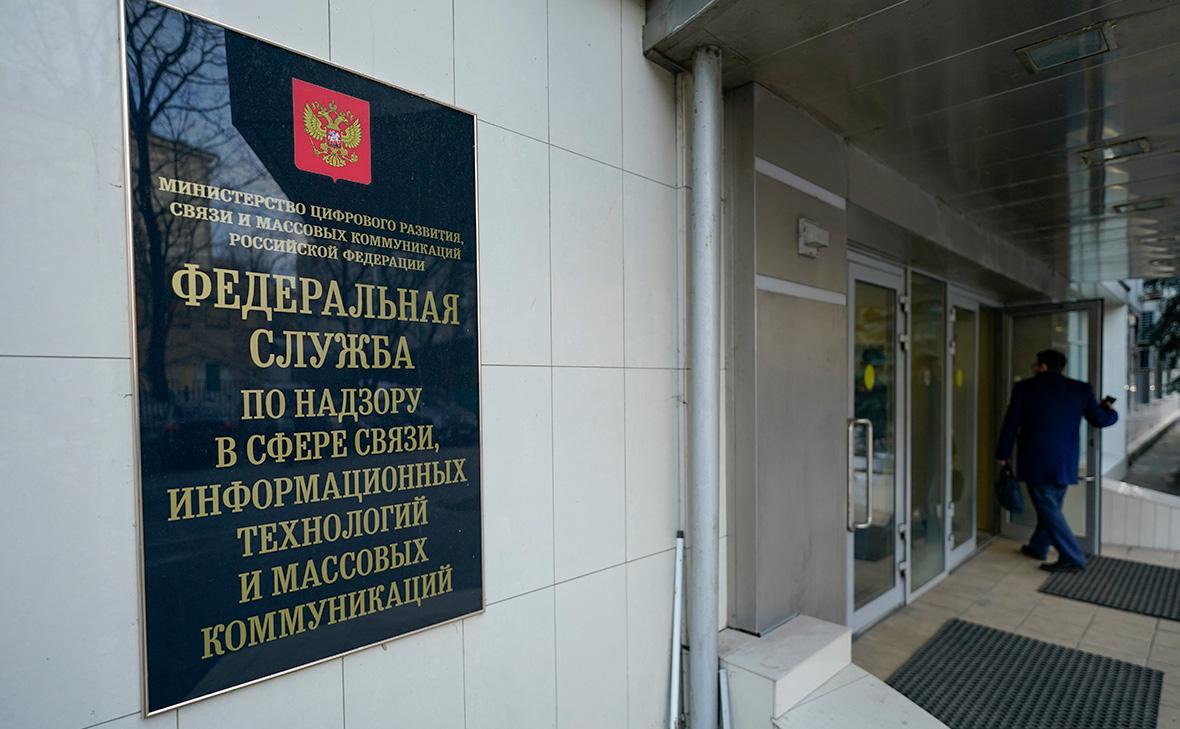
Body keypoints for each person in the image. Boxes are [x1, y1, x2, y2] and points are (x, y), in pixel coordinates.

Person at [995, 348, 1118, 573]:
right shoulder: (1081, 389)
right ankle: (1038, 547)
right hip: (1065, 461)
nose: (1033, 367)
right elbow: (1100, 420)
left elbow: (1011, 424)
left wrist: (1003, 455)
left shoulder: (1025, 388)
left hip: (1036, 460)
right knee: (1051, 507)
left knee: (1049, 509)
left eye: (1035, 364)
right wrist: (1110, 410)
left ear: (1042, 366)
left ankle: (1073, 557)